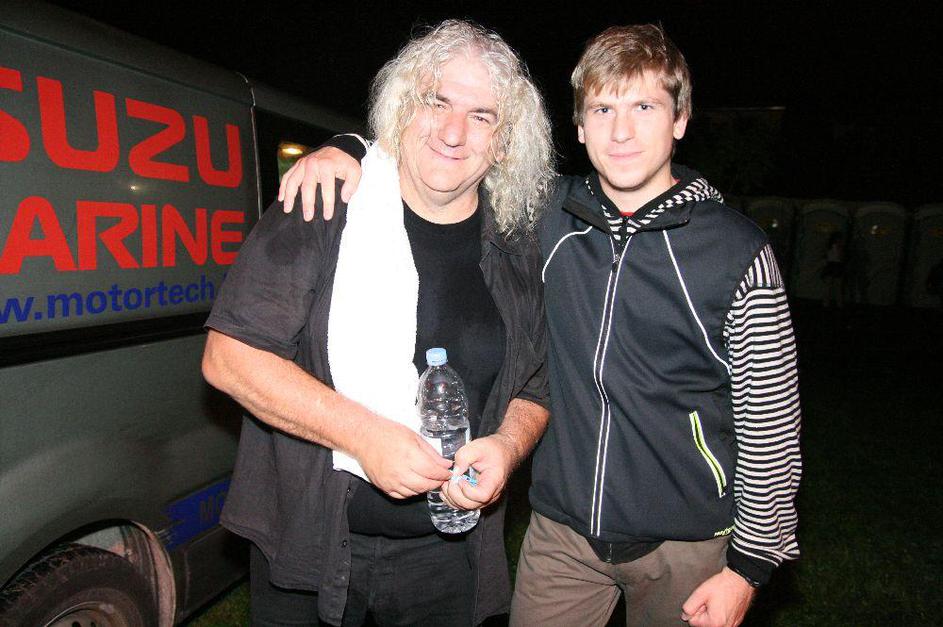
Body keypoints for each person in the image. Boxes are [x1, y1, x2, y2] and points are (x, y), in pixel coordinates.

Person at [281, 23, 802, 627]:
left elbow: (772, 420)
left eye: (644, 107)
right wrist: (347, 147)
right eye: (602, 109)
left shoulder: (735, 251)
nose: (621, 131)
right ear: (579, 127)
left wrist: (749, 567)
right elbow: (443, 154)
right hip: (561, 535)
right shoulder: (545, 217)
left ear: (680, 119)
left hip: (685, 542)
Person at [202, 20, 553, 626]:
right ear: (403, 109)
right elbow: (230, 357)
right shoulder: (326, 203)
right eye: (436, 102)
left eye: (482, 116)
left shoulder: (516, 247)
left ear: (503, 143)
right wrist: (363, 437)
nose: (453, 132)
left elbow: (535, 387)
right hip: (313, 542)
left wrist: (507, 446)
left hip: (449, 556)